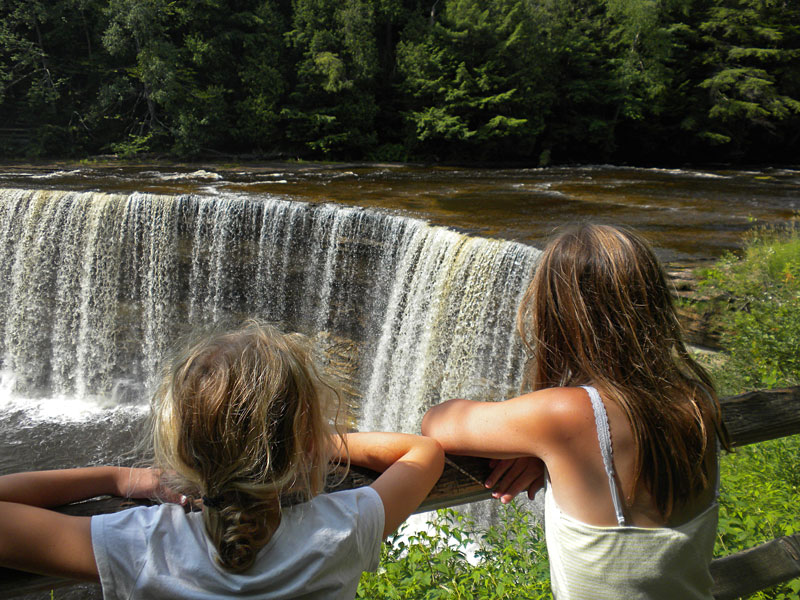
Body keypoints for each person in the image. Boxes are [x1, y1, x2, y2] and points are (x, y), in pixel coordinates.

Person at [0, 322, 444, 599]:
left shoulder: (141, 548)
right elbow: (423, 451)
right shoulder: (346, 528)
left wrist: (117, 478)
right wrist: (312, 447)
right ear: (300, 446)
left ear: (185, 453)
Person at [421, 224, 728, 599]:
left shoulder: (564, 415)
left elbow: (437, 421)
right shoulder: (699, 401)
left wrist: (542, 444)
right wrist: (552, 455)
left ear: (561, 317)